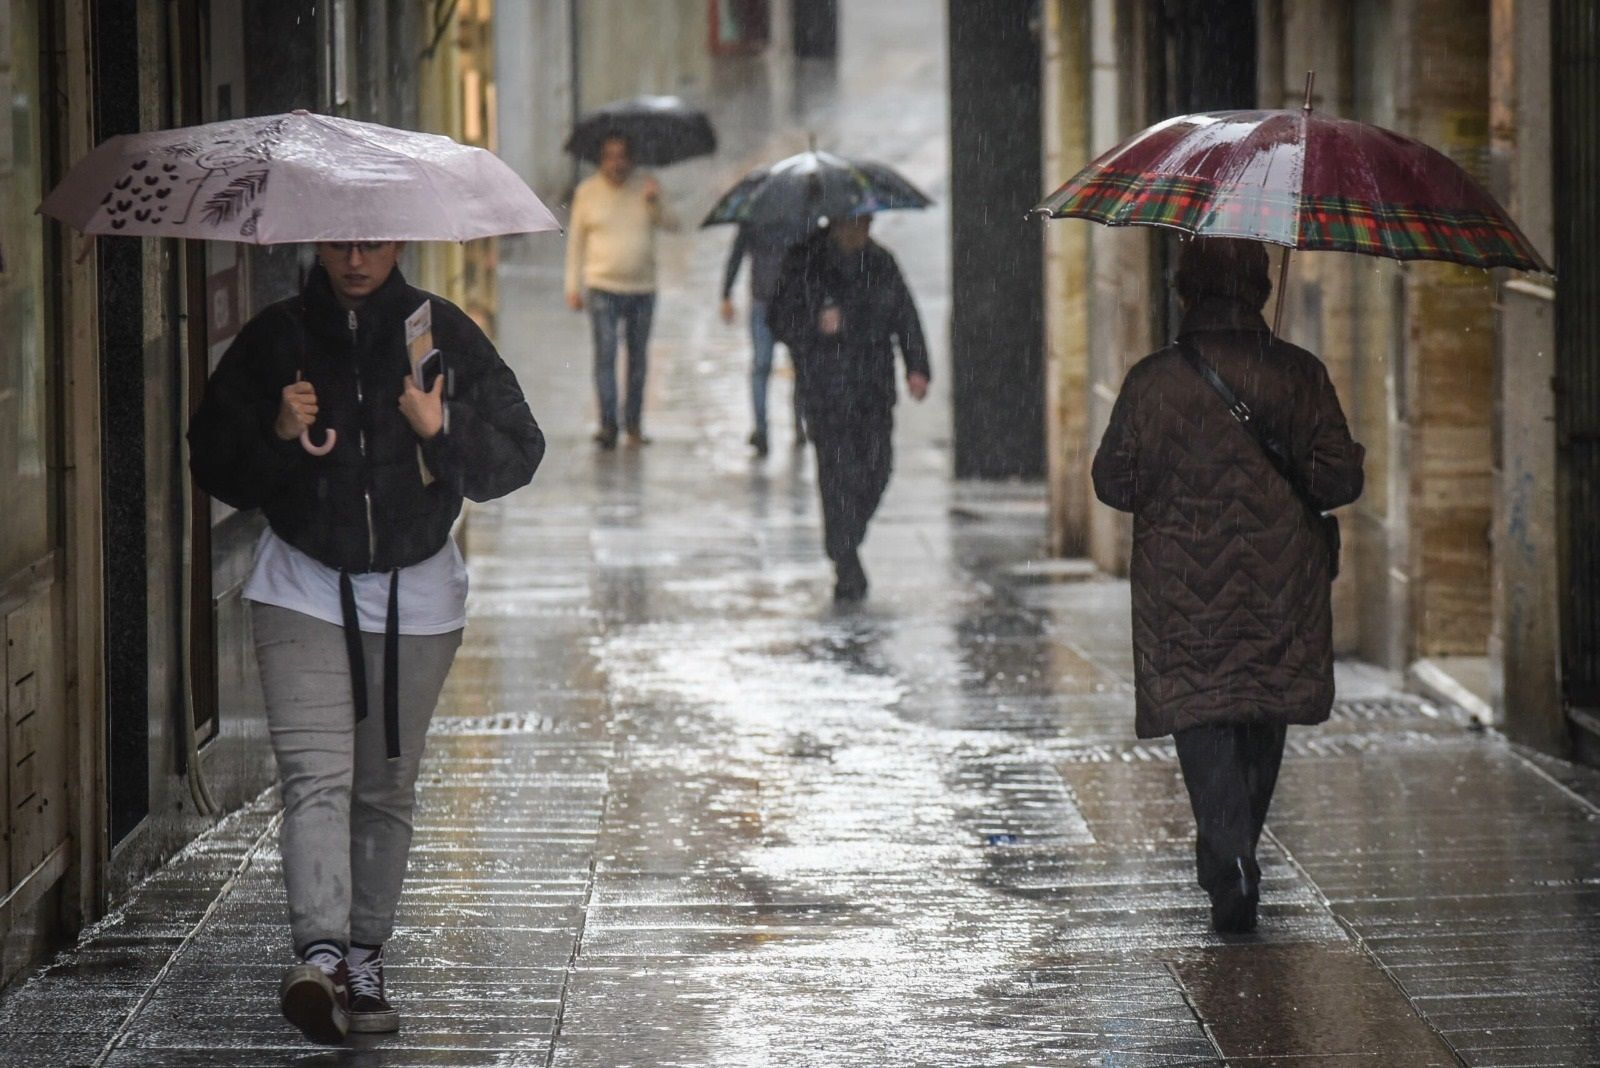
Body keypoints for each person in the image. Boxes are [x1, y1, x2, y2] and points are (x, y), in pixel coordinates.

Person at [188, 240, 544, 1044]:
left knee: (383, 788)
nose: (354, 258)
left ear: (397, 243)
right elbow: (212, 462)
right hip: (302, 590)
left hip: (416, 599)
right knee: (316, 777)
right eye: (341, 243)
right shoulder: (276, 337)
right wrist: (280, 431)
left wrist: (440, 423)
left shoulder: (441, 332)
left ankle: (363, 958)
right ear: (318, 243)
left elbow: (518, 455)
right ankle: (319, 957)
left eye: (372, 242)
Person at [1090, 237, 1364, 933]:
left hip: (1182, 582)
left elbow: (1112, 483)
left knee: (1203, 712)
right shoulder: (1299, 374)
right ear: (1263, 290)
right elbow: (1340, 480)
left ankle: (1229, 852)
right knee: (1261, 711)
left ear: (1187, 292)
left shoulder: (1153, 380)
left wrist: (1175, 483)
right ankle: (1234, 850)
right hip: (1282, 580)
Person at [768, 209, 930, 601]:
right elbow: (778, 319)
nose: (865, 229)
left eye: (868, 222)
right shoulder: (804, 260)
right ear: (838, 221)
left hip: (873, 384)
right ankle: (845, 559)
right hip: (826, 388)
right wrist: (814, 322)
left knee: (878, 466)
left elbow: (905, 314)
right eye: (858, 221)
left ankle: (846, 538)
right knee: (837, 474)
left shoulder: (880, 261)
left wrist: (917, 366)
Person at [564, 133, 679, 449]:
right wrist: (572, 286)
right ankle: (608, 425)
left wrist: (655, 201)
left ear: (630, 158)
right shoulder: (587, 193)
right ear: (602, 159)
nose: (617, 162)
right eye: (610, 155)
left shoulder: (646, 187)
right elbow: (576, 243)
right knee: (606, 355)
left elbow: (674, 224)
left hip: (642, 287)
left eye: (622, 155)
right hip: (602, 286)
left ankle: (634, 423)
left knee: (638, 357)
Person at [720, 220, 809, 455]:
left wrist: (726, 293)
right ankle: (788, 425)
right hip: (786, 302)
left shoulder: (757, 214)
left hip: (775, 301)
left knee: (764, 367)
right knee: (791, 366)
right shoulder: (801, 214)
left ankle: (766, 429)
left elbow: (736, 254)